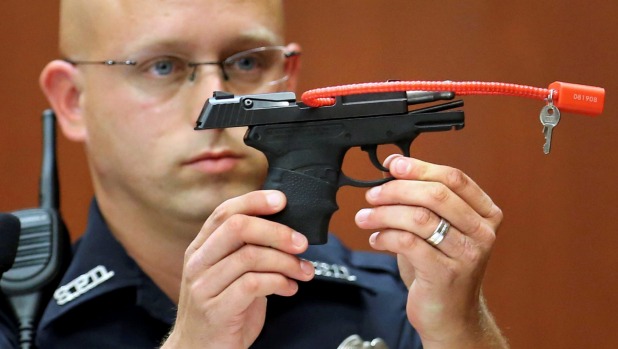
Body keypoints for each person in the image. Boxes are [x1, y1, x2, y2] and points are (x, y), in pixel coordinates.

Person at [1, 0, 508, 348]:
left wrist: (461, 333)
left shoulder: (398, 298)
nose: (214, 101)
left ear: (288, 76)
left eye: (246, 61)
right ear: (72, 100)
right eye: (162, 67)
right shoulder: (17, 320)